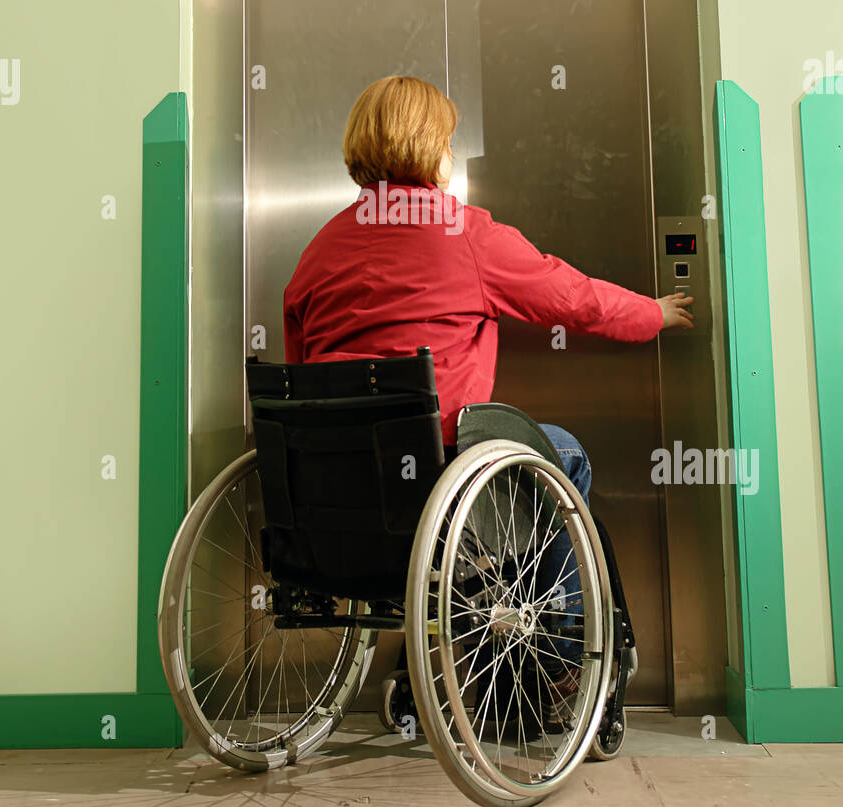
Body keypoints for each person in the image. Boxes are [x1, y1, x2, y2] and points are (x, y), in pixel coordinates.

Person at [283, 75, 693, 722]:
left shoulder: (321, 248)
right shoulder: (464, 233)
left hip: (341, 491)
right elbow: (573, 297)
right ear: (431, 147)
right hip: (442, 469)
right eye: (447, 139)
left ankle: (438, 659)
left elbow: (303, 369)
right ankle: (558, 659)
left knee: (500, 476)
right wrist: (654, 315)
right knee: (565, 457)